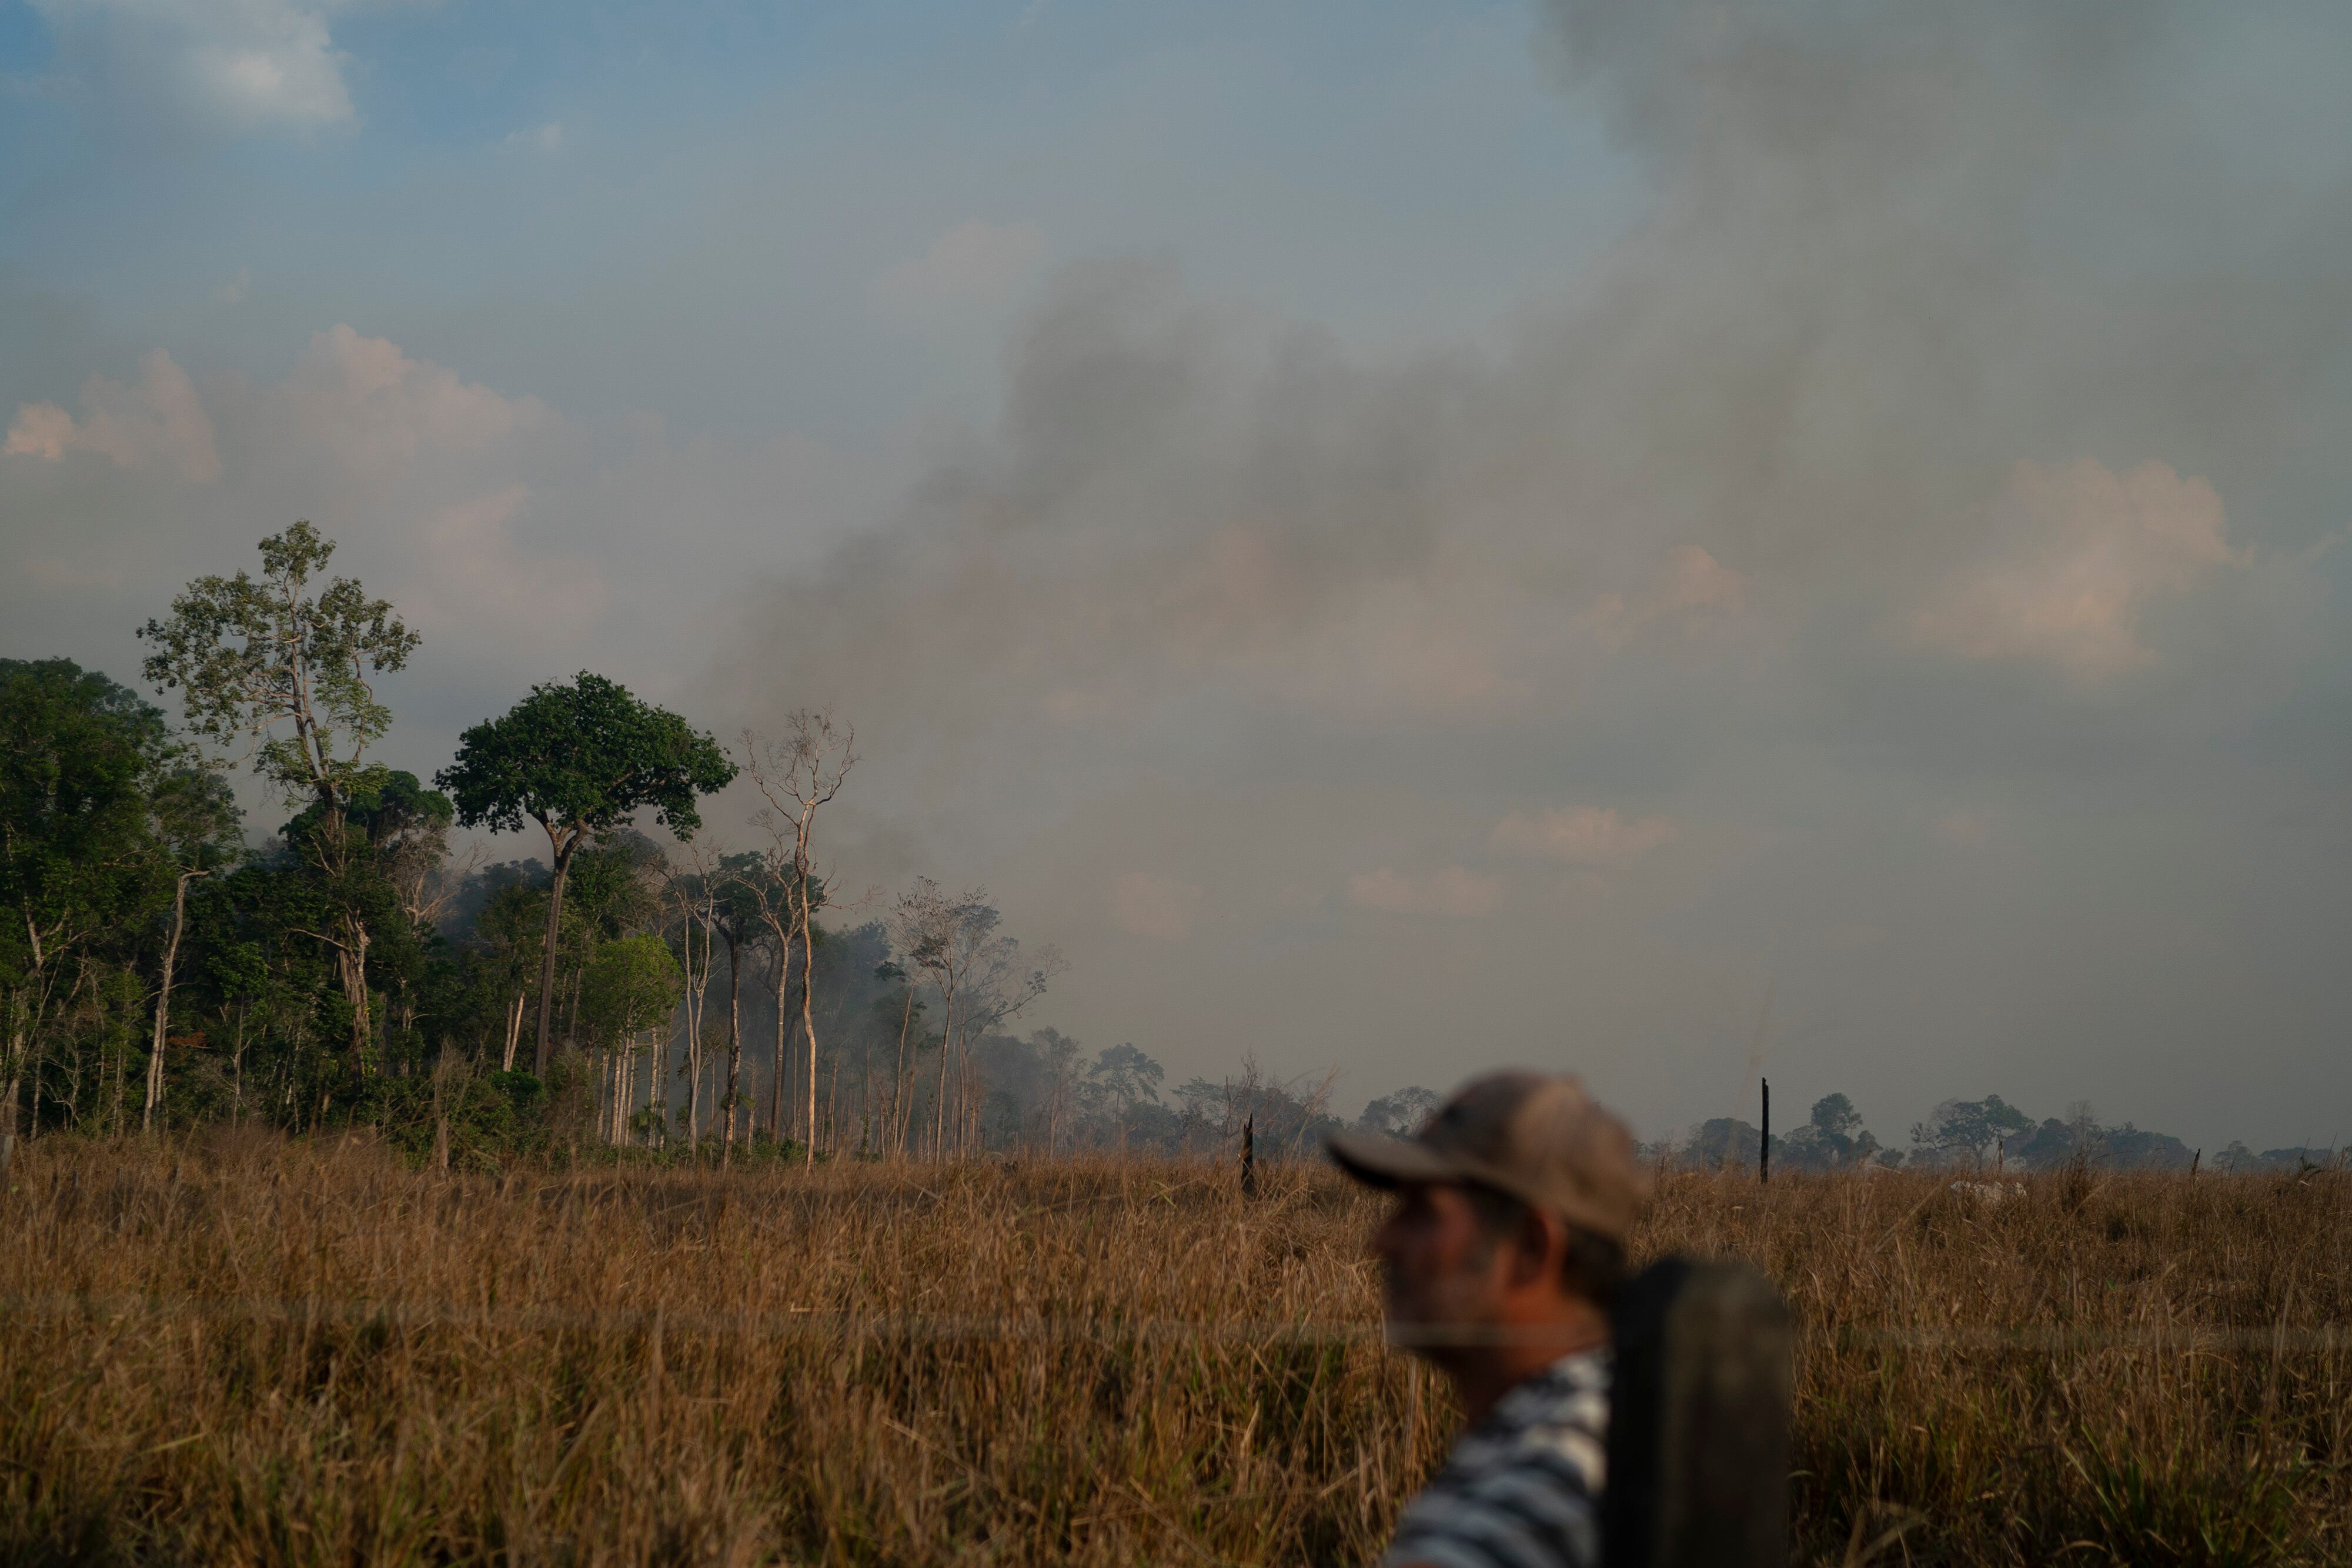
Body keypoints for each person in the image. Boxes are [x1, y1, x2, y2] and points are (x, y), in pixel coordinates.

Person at [1327, 1071, 1649, 1568]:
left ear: (1531, 1248)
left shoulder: (1570, 1458)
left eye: (1423, 1213)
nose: (1382, 1241)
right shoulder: (1568, 1412)